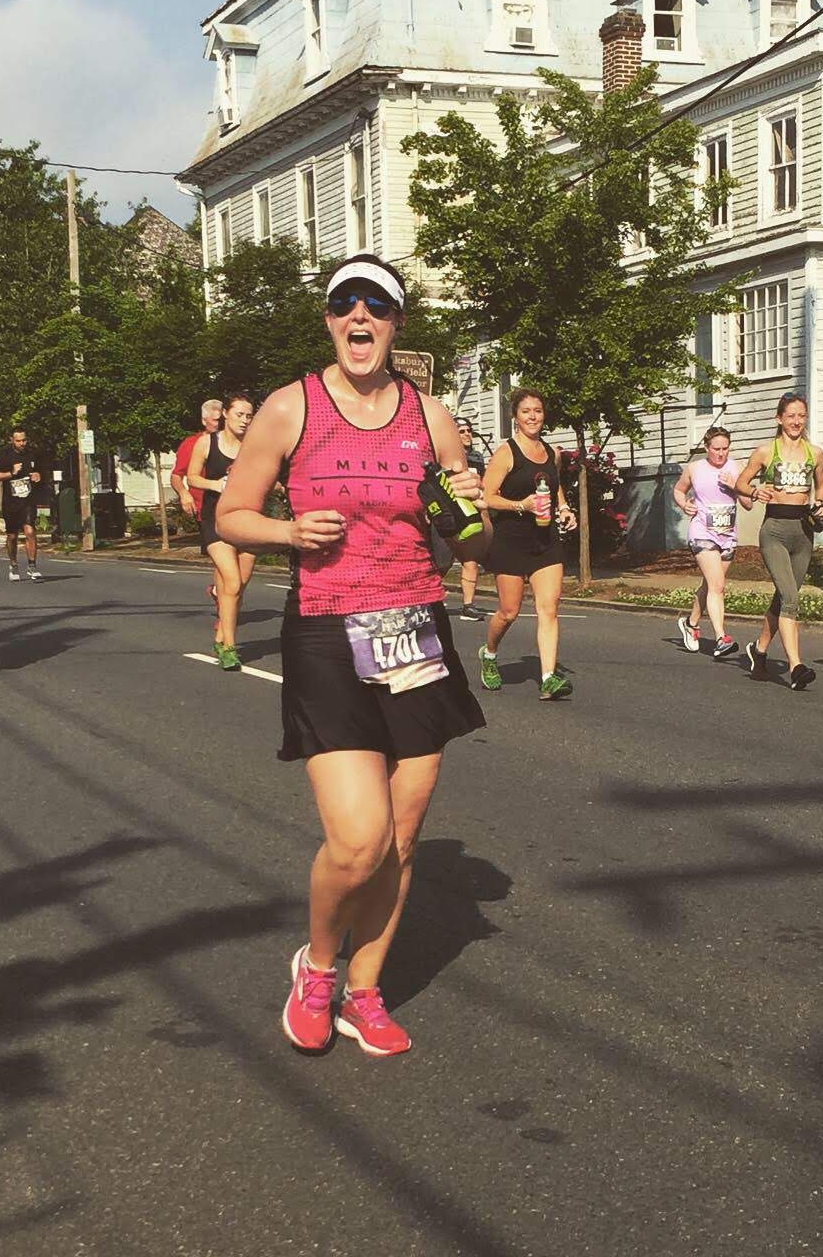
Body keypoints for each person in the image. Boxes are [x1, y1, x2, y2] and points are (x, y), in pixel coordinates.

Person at [217, 253, 489, 1058]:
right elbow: (232, 513)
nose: (358, 316)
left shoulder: (431, 417)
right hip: (327, 629)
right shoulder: (288, 408)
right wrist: (285, 531)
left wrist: (468, 510)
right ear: (331, 320)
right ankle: (320, 965)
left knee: (402, 840)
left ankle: (365, 991)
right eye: (344, 304)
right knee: (360, 837)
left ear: (396, 324)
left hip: (414, 629)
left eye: (375, 304)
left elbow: (460, 533)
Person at [477, 389, 579, 700]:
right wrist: (521, 505)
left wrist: (564, 509)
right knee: (509, 612)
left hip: (545, 540)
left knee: (549, 609)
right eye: (526, 412)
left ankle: (548, 678)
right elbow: (487, 496)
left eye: (538, 410)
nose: (533, 416)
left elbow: (555, 488)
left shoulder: (551, 452)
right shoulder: (506, 453)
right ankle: (490, 654)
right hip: (510, 541)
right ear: (516, 418)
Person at [735, 393, 823, 691]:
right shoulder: (765, 452)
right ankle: (796, 666)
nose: (796, 421)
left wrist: (821, 504)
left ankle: (759, 650)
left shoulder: (814, 453)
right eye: (790, 416)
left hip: (803, 532)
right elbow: (741, 481)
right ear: (779, 418)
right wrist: (754, 492)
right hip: (774, 530)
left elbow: (822, 486)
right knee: (791, 598)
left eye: (801, 415)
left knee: (783, 597)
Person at [187, 393, 257, 669]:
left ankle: (220, 636)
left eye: (249, 416)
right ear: (226, 414)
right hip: (214, 520)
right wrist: (216, 485)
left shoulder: (253, 445)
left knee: (240, 585)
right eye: (239, 414)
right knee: (232, 581)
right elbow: (191, 476)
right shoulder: (207, 443)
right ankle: (229, 648)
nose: (244, 421)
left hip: (248, 519)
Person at [672, 426, 752, 659]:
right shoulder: (695, 468)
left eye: (725, 449)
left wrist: (735, 486)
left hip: (727, 534)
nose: (721, 454)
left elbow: (748, 504)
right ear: (707, 448)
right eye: (716, 449)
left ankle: (691, 623)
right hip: (702, 532)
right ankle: (721, 638)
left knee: (710, 585)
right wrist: (684, 504)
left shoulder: (736, 468)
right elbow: (678, 490)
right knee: (717, 585)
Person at [0, 429, 45, 582]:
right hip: (11, 502)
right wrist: (11, 473)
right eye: (19, 441)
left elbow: (41, 472)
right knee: (12, 536)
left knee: (29, 531)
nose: (22, 443)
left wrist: (38, 475)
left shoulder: (33, 454)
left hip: (28, 500)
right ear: (12, 440)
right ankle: (13, 564)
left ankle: (32, 566)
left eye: (24, 440)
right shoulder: (5, 455)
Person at [452, 416, 492, 621]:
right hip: (450, 513)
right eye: (462, 431)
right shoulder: (446, 456)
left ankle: (468, 604)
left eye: (469, 430)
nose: (467, 434)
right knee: (441, 562)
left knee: (471, 559)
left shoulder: (476, 456)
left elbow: (484, 483)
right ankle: (429, 601)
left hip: (472, 511)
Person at [170, 400, 224, 521]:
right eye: (215, 420)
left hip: (230, 506)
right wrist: (183, 494)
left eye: (222, 421)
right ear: (204, 421)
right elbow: (176, 476)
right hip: (204, 508)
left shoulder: (235, 442)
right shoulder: (191, 444)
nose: (219, 425)